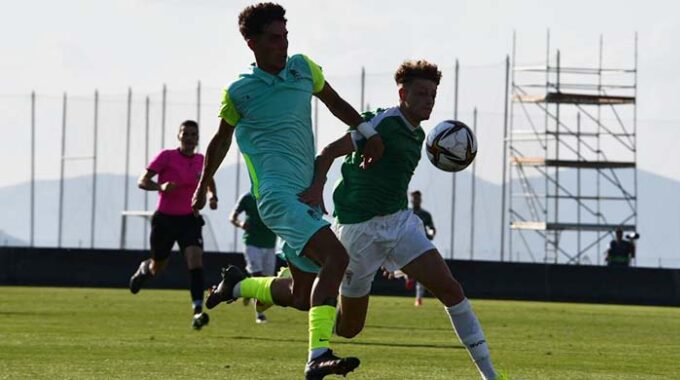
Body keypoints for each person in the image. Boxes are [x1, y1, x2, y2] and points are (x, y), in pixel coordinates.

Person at [191, 3, 383, 379]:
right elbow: (220, 140)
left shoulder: (302, 68)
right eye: (274, 38)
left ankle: (237, 285)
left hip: (306, 198)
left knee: (300, 294)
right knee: (337, 258)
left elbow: (334, 102)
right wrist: (204, 181)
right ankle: (318, 355)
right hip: (277, 199)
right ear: (252, 43)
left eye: (285, 37)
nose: (283, 44)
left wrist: (368, 131)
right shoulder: (239, 92)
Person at [298, 60, 500, 380]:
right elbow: (327, 152)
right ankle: (290, 292)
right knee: (349, 329)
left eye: (433, 94)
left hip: (399, 224)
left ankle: (491, 375)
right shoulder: (381, 123)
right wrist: (317, 186)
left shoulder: (420, 136)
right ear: (402, 93)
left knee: (450, 288)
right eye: (421, 93)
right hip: (357, 230)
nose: (429, 100)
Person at [128, 120, 218, 330]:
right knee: (158, 267)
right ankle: (145, 270)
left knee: (195, 260)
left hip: (190, 219)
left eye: (193, 134)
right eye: (185, 133)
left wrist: (213, 196)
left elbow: (209, 180)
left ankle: (197, 310)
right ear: (179, 136)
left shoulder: (201, 160)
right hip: (165, 220)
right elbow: (142, 180)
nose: (189, 138)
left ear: (197, 139)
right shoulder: (166, 157)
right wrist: (160, 186)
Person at [230, 192, 278, 323]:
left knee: (267, 280)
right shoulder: (247, 198)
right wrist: (240, 224)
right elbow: (232, 217)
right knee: (258, 277)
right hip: (251, 242)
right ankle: (260, 314)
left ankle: (248, 290)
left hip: (270, 243)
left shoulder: (275, 196)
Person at [408, 190, 435, 306]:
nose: (416, 200)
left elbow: (431, 228)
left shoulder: (426, 215)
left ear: (420, 199)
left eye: (417, 198)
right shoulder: (406, 213)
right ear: (411, 199)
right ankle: (407, 276)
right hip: (407, 244)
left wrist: (432, 232)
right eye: (414, 198)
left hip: (421, 245)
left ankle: (418, 298)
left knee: (421, 272)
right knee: (407, 268)